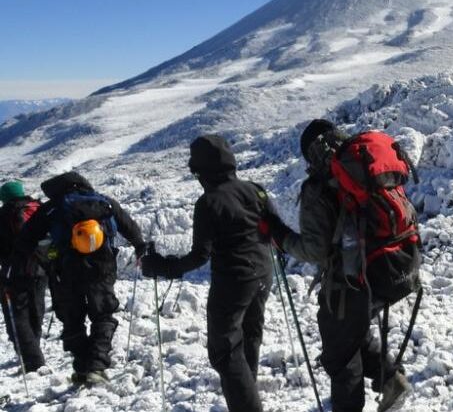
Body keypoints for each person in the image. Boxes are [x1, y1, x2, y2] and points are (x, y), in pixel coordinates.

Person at [141, 134, 294, 412]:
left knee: (225, 351)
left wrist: (162, 267)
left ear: (200, 171)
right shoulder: (255, 190)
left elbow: (200, 255)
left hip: (233, 281)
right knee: (250, 337)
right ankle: (248, 396)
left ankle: (247, 406)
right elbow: (276, 230)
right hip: (263, 273)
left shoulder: (209, 202)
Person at [270, 119, 412, 412]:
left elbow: (315, 249)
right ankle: (391, 379)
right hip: (389, 268)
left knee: (340, 355)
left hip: (348, 283)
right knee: (354, 332)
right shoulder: (365, 167)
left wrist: (281, 238)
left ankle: (368, 395)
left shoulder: (319, 187)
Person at [16, 171, 147, 385]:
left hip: (64, 271)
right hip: (101, 267)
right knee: (103, 315)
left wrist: (33, 261)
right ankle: (96, 367)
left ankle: (82, 368)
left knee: (72, 319)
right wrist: (140, 247)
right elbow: (129, 226)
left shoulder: (51, 208)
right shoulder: (104, 201)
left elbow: (25, 240)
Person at [0, 180, 46, 373]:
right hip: (41, 268)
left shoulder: (4, 215)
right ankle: (32, 346)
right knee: (36, 309)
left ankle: (32, 359)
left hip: (14, 271)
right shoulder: (37, 209)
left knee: (16, 314)